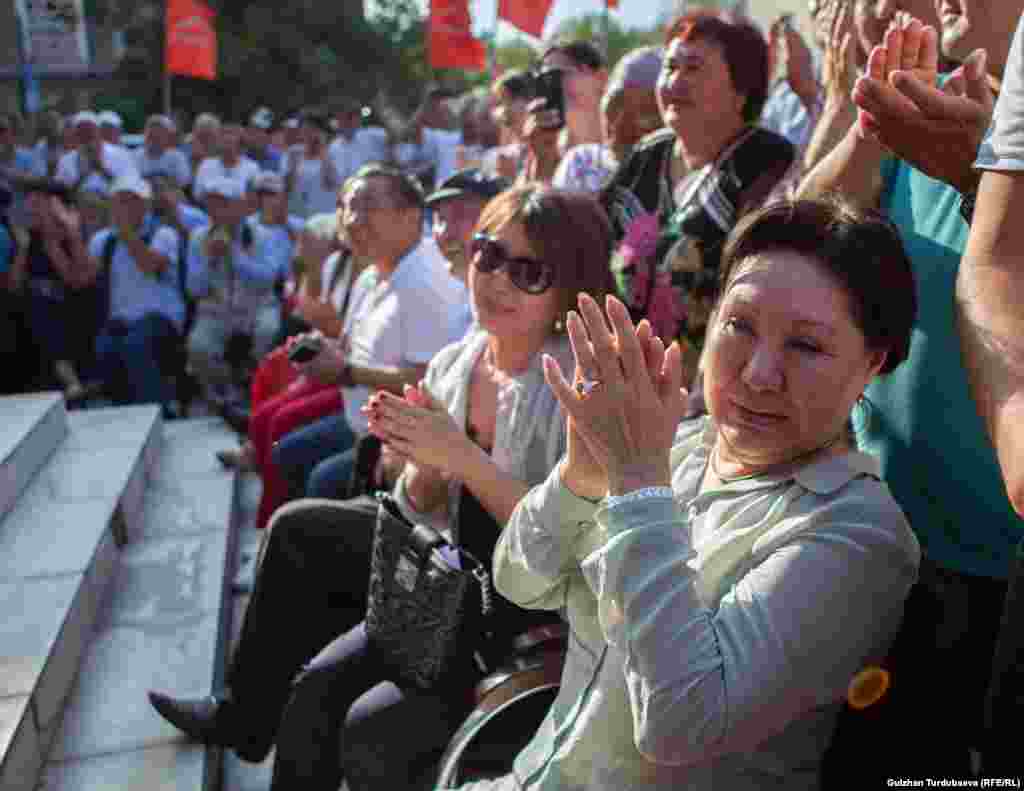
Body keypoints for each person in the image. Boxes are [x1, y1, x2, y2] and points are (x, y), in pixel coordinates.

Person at [149, 185, 616, 791]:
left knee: (351, 720)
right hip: (441, 578)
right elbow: (417, 504)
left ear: (567, 289)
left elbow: (561, 546)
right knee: (307, 628)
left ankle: (251, 716)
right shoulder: (459, 360)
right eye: (487, 255)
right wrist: (418, 466)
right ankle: (246, 716)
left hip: (517, 609)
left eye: (528, 271)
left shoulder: (574, 387)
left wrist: (461, 458)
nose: (497, 279)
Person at [451, 198, 920, 790]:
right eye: (740, 327)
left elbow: (681, 726)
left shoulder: (857, 534)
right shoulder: (682, 445)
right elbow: (520, 581)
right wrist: (579, 477)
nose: (757, 374)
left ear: (871, 363)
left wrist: (638, 486)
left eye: (806, 346)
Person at [799, 5, 1024, 776]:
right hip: (883, 546)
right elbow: (804, 238)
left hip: (1001, 578)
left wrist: (979, 169)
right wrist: (868, 127)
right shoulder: (926, 111)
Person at [258, 164, 465, 519]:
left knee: (318, 482)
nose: (352, 220)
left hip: (397, 443)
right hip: (359, 418)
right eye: (348, 207)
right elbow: (354, 346)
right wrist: (327, 351)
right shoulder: (372, 274)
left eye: (367, 207)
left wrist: (348, 372)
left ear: (411, 215)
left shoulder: (426, 283)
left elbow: (426, 381)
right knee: (286, 450)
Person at [602, 9, 795, 388]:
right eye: (670, 66)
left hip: (709, 392)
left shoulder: (765, 161)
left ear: (741, 91)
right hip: (624, 382)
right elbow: (593, 234)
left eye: (693, 69)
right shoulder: (647, 155)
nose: (674, 81)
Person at [90, 175, 186, 411]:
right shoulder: (103, 240)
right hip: (120, 320)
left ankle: (158, 411)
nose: (125, 207)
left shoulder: (164, 234)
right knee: (105, 347)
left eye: (131, 201)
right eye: (120, 201)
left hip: (161, 318)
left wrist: (126, 233)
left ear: (145, 205)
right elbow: (84, 277)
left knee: (137, 343)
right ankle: (124, 412)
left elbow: (150, 265)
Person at [186, 176, 284, 405]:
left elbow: (268, 280)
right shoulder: (198, 238)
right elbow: (193, 289)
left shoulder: (263, 234)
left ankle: (264, 391)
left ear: (240, 206)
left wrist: (234, 255)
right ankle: (226, 392)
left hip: (257, 307)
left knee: (268, 331)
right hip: (217, 312)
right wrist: (210, 260)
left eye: (223, 204)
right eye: (212, 204)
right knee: (199, 345)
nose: (216, 211)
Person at [8, 181, 100, 399]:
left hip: (66, 303)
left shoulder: (69, 234)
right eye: (30, 204)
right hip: (31, 306)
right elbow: (13, 285)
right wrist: (23, 247)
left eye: (38, 203)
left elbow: (74, 280)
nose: (31, 209)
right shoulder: (27, 236)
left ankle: (72, 381)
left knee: (46, 311)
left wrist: (63, 237)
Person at [552, 45, 663, 194]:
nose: (620, 125)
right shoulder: (582, 164)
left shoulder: (675, 177)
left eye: (643, 113)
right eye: (614, 107)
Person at [425, 168, 509, 340]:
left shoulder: (515, 302)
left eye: (461, 216)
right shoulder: (447, 295)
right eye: (440, 219)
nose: (445, 233)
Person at [522, 41, 608, 185]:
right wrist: (544, 161)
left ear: (600, 78)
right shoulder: (542, 150)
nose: (552, 84)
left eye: (558, 73)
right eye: (544, 77)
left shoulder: (625, 139)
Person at [55, 111, 139, 197]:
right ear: (75, 136)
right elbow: (61, 196)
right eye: (80, 133)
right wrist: (83, 176)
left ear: (98, 132)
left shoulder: (122, 155)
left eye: (89, 132)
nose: (85, 137)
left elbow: (131, 191)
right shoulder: (65, 161)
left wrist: (102, 170)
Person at [283, 111, 341, 218]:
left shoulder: (332, 154)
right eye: (304, 129)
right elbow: (287, 188)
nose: (307, 133)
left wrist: (322, 150)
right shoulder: (293, 153)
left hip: (322, 215)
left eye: (312, 129)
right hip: (297, 214)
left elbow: (332, 183)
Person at [193, 123, 261, 206]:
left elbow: (254, 199)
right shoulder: (206, 164)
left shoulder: (252, 168)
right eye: (223, 137)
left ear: (240, 143)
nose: (227, 139)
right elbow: (197, 195)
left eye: (231, 137)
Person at [136, 115, 192, 189]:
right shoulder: (135, 157)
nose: (154, 136)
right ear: (145, 134)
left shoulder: (177, 157)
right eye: (151, 133)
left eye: (159, 133)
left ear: (167, 136)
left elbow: (184, 183)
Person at [244, 107, 283, 172]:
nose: (255, 135)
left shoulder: (279, 159)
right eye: (252, 128)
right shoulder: (240, 157)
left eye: (260, 130)